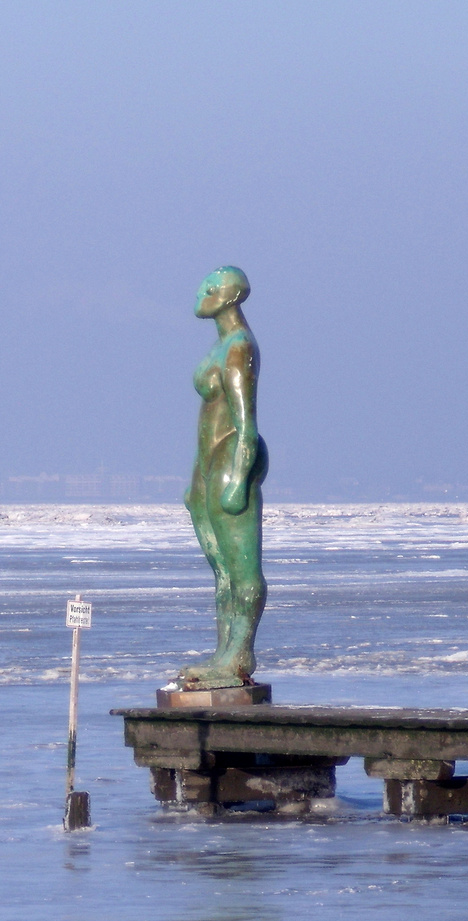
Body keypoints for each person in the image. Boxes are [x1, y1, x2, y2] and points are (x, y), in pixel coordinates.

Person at [180, 265, 267, 688]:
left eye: (209, 289)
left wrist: (238, 474)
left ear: (229, 297)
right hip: (208, 469)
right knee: (222, 571)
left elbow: (245, 422)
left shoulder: (239, 347)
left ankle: (240, 654)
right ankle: (223, 653)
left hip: (233, 461)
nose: (200, 295)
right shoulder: (219, 348)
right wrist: (196, 484)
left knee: (243, 569)